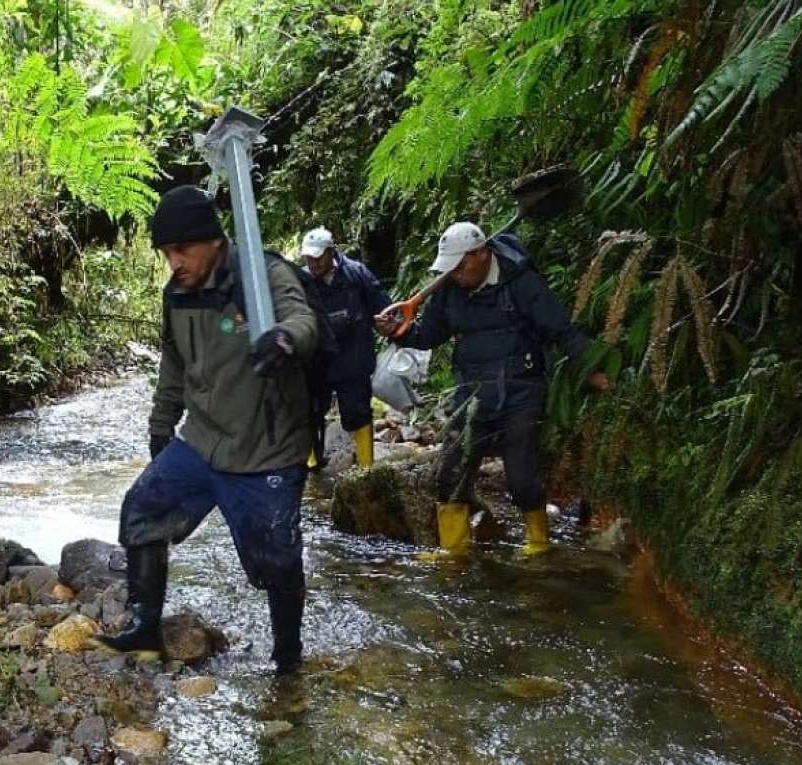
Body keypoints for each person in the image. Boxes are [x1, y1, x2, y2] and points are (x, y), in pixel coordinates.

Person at [93, 186, 318, 676]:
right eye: (166, 253)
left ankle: (287, 661)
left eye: (182, 250)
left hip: (265, 450)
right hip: (200, 442)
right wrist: (160, 427)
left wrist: (283, 338)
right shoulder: (176, 295)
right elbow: (173, 366)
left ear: (214, 241)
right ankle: (144, 627)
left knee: (276, 562)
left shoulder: (263, 275)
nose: (174, 263)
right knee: (142, 511)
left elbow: (303, 319)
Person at [375, 223, 609, 560]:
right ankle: (453, 552)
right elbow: (428, 335)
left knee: (522, 478)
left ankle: (539, 545)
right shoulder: (448, 288)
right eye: (450, 269)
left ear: (481, 254)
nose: (456, 275)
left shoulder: (521, 282)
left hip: (521, 390)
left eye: (460, 266)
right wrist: (398, 332)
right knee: (449, 474)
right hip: (470, 392)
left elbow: (561, 330)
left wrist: (591, 368)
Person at [298, 228, 390, 470]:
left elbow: (383, 308)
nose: (313, 263)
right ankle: (311, 462)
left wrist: (386, 323)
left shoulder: (356, 274)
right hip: (317, 360)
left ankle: (366, 467)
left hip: (353, 357)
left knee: (358, 411)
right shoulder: (301, 280)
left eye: (318, 257)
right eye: (308, 258)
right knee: (309, 410)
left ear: (332, 252)